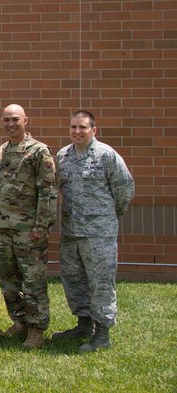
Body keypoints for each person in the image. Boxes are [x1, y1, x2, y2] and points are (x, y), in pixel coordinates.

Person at [53, 110, 134, 352]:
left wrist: (106, 217)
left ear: (93, 130)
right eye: (73, 127)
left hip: (99, 234)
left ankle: (103, 333)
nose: (77, 132)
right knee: (74, 280)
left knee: (100, 283)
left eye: (83, 127)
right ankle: (83, 325)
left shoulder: (106, 155)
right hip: (71, 232)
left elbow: (125, 189)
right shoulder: (63, 156)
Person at [0, 104, 57, 349]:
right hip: (6, 227)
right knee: (9, 280)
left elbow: (48, 192)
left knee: (33, 282)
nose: (11, 124)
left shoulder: (39, 151)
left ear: (25, 121)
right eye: (6, 120)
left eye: (15, 119)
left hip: (30, 229)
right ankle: (19, 321)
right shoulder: (2, 150)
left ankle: (36, 328)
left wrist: (41, 226)